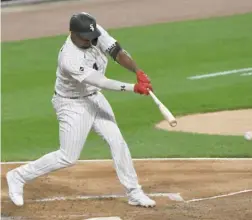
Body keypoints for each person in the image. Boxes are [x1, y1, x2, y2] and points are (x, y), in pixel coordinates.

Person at [6, 12, 156, 208]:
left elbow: (117, 52)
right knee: (68, 156)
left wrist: (138, 72)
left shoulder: (93, 31)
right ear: (73, 34)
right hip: (72, 105)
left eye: (92, 37)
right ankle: (18, 176)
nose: (90, 41)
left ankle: (134, 192)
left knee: (117, 141)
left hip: (94, 97)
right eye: (85, 38)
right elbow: (101, 81)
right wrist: (133, 87)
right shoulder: (69, 58)